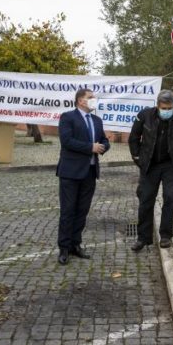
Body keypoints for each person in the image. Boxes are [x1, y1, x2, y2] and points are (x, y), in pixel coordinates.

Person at [129, 89, 173, 251]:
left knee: (171, 198)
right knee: (145, 199)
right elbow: (134, 137)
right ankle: (143, 238)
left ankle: (166, 235)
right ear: (157, 105)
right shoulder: (144, 115)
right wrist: (138, 158)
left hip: (172, 165)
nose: (167, 111)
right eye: (164, 108)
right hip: (149, 165)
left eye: (169, 108)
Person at [56, 89, 110, 264]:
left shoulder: (97, 120)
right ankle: (64, 248)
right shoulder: (68, 117)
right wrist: (90, 147)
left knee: (82, 211)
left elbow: (103, 140)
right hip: (70, 172)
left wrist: (103, 146)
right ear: (80, 101)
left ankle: (75, 244)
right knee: (68, 210)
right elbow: (67, 141)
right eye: (90, 97)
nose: (94, 100)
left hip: (90, 172)